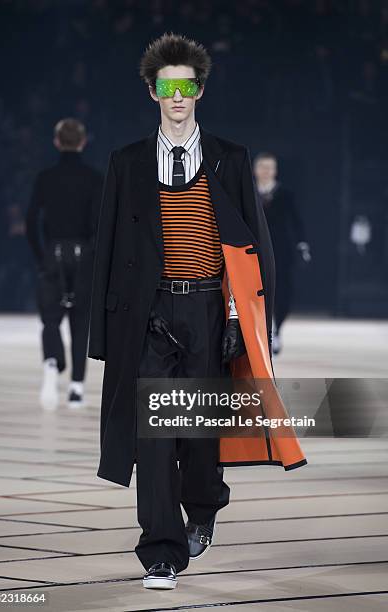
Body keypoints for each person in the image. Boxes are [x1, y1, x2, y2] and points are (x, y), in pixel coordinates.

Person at [89, 33, 307, 590]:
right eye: (168, 86)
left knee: (200, 436)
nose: (178, 96)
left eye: (187, 85)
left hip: (211, 312)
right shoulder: (127, 163)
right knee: (155, 437)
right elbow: (108, 250)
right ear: (152, 92)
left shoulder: (229, 159)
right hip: (149, 315)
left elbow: (256, 249)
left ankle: (204, 505)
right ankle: (160, 550)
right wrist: (106, 335)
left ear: (200, 91)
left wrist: (252, 325)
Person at [26, 118, 103, 410]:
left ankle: (51, 363)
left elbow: (31, 220)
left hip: (53, 251)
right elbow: (100, 224)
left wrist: (41, 254)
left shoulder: (45, 177)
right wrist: (94, 255)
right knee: (80, 322)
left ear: (57, 142)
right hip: (84, 253)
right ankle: (77, 387)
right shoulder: (94, 178)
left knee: (50, 318)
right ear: (83, 142)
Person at [254, 152, 311, 354]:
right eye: (262, 166)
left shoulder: (286, 194)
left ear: (275, 170)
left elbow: (296, 222)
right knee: (256, 290)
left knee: (282, 291)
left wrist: (302, 244)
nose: (266, 171)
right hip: (254, 250)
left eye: (270, 167)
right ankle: (261, 331)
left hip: (282, 251)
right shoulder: (248, 192)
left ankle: (276, 331)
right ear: (255, 169)